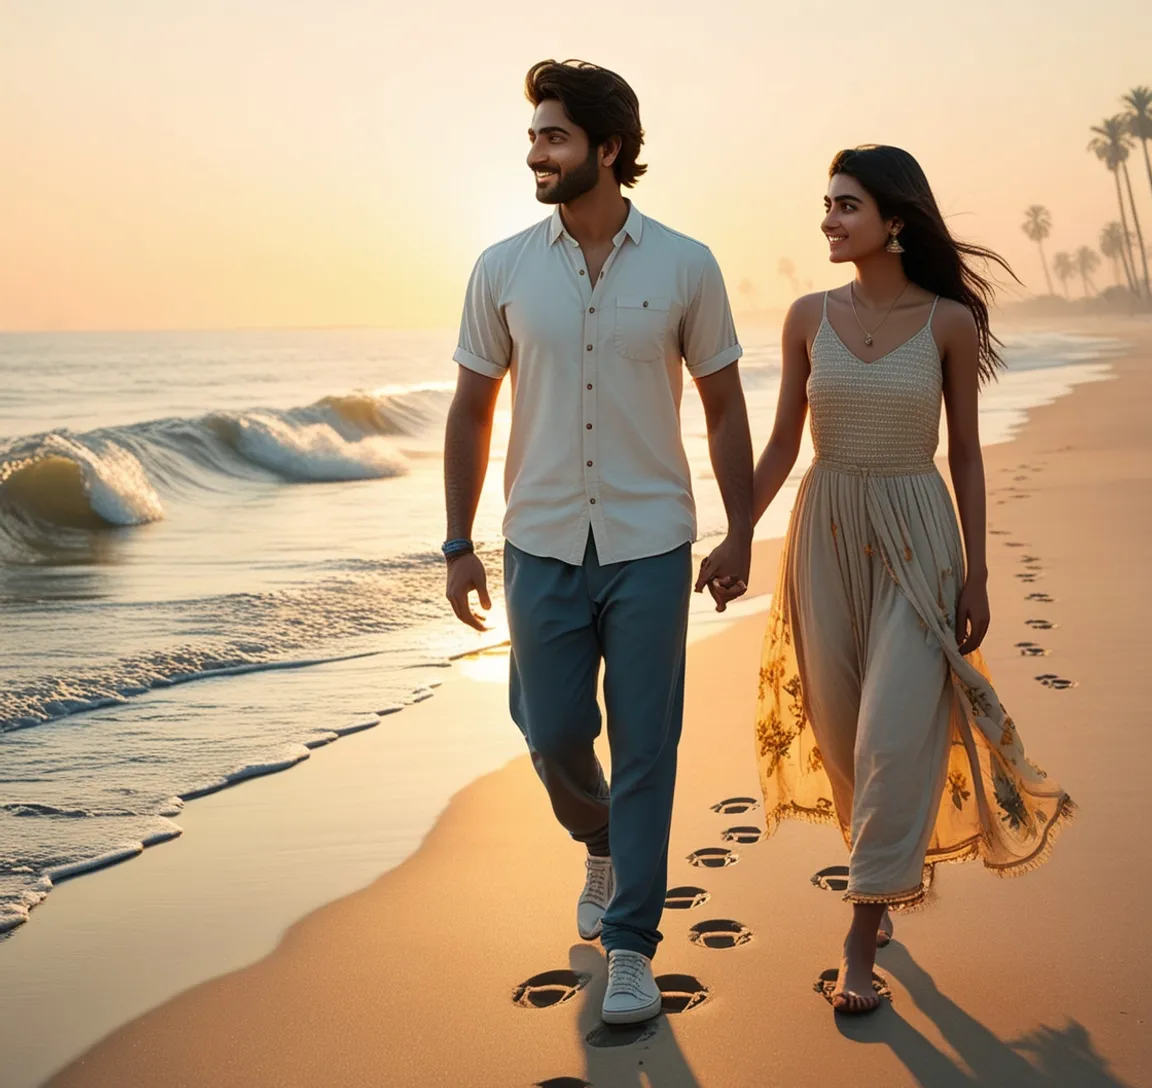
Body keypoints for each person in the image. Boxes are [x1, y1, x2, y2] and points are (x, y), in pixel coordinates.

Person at [442, 59, 753, 1025]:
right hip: (537, 537)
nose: (535, 151)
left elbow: (726, 404)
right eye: (535, 135)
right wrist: (455, 541)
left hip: (651, 539)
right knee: (552, 730)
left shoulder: (686, 264)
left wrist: (742, 529)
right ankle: (598, 837)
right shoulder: (501, 267)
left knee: (648, 746)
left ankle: (630, 947)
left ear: (607, 150)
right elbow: (468, 410)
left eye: (553, 136)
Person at [745, 145, 1074, 1014]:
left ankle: (859, 939)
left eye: (846, 205)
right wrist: (735, 530)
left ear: (895, 221)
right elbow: (782, 442)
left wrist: (979, 573)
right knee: (846, 728)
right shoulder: (806, 316)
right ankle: (877, 874)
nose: (828, 218)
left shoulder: (947, 324)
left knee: (893, 732)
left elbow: (964, 453)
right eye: (826, 203)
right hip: (825, 532)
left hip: (918, 536)